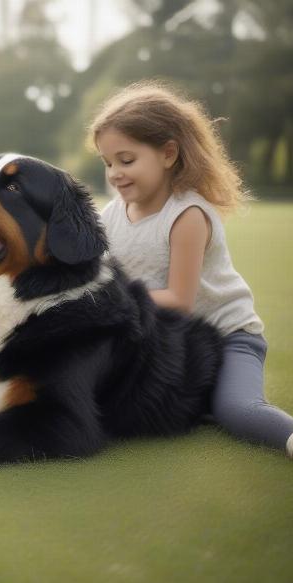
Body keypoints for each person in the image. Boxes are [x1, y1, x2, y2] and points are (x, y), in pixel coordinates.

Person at [88, 81, 293, 458]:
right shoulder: (112, 214)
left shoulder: (187, 215)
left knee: (237, 411)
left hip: (229, 338)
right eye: (108, 163)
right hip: (170, 343)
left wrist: (110, 300)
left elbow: (179, 301)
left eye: (126, 159)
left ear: (168, 154)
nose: (115, 173)